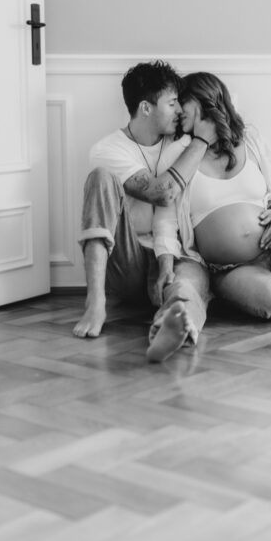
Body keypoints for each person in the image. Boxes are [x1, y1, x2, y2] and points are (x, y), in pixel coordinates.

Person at [159, 71, 271, 319]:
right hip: (231, 270)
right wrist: (166, 266)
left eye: (183, 100)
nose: (178, 109)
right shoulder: (178, 152)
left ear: (203, 99)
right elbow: (166, 217)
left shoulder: (249, 138)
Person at [74, 60, 219, 362]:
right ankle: (95, 301)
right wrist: (203, 141)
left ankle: (174, 324)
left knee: (188, 285)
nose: (180, 110)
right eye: (171, 102)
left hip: (175, 254)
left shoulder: (182, 144)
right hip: (127, 262)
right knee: (99, 177)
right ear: (146, 108)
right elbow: (162, 193)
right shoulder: (108, 149)